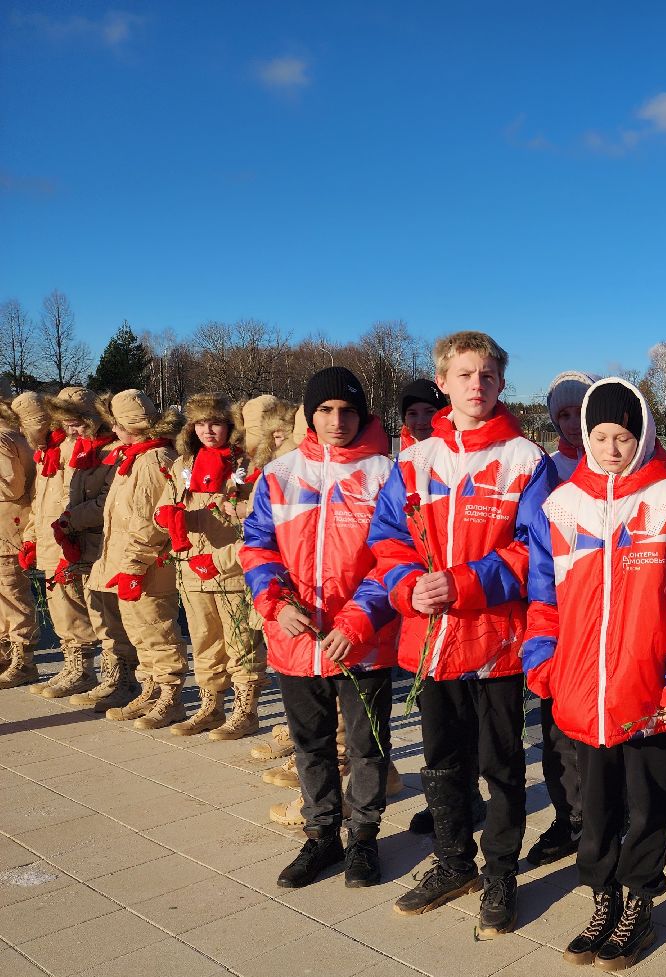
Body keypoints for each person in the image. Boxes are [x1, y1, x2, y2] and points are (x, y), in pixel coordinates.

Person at [366, 331, 555, 928]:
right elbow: (388, 541)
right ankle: (454, 861)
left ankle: (499, 873)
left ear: (501, 384)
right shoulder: (416, 461)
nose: (477, 385)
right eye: (465, 375)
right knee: (442, 760)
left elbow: (538, 551)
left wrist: (467, 584)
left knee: (501, 765)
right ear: (443, 382)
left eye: (488, 376)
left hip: (495, 643)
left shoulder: (525, 460)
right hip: (430, 643)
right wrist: (406, 588)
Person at [524, 377, 666, 969]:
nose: (611, 448)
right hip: (580, 692)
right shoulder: (562, 506)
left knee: (647, 801)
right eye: (601, 436)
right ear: (584, 435)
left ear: (644, 436)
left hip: (647, 691)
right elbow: (542, 600)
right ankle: (602, 895)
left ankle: (639, 901)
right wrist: (543, 666)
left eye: (624, 437)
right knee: (593, 805)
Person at [242, 367, 399, 889]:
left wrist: (358, 618)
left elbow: (395, 557)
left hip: (362, 642)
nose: (336, 421)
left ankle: (363, 839)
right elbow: (258, 545)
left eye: (347, 411)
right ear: (309, 415)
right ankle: (322, 836)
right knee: (310, 746)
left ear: (362, 415)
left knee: (366, 746)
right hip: (297, 639)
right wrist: (274, 601)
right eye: (325, 410)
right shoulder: (281, 474)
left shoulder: (384, 474)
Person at [518, 369, 599, 868]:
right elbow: (533, 544)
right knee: (555, 729)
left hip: (606, 620)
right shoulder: (546, 471)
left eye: (579, 412)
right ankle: (568, 816)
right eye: (563, 414)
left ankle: (602, 817)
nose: (572, 423)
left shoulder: (620, 460)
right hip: (559, 617)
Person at [165, 393, 268, 738]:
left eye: (217, 423)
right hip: (192, 565)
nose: (209, 430)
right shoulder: (184, 463)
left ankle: (245, 710)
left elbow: (258, 523)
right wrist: (168, 517)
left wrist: (226, 558)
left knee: (240, 643)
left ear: (230, 426)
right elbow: (170, 502)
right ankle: (210, 706)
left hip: (231, 569)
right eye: (201, 423)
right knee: (204, 641)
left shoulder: (246, 465)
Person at [85, 391, 186, 727]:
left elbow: (150, 519)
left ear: (131, 424)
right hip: (126, 563)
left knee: (157, 629)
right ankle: (151, 688)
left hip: (148, 566)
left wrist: (134, 565)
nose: (113, 429)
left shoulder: (155, 460)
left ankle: (170, 695)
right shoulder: (134, 457)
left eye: (117, 422)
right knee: (139, 631)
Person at [28, 388, 120, 701]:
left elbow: (81, 499)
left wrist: (71, 522)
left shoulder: (95, 449)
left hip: (79, 537)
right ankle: (75, 665)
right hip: (56, 536)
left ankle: (104, 672)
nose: (70, 428)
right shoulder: (59, 447)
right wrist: (32, 534)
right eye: (65, 422)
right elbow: (40, 498)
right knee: (62, 606)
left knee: (95, 610)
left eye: (75, 421)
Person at [0, 393, 44, 688]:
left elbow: (10, 487)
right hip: (9, 527)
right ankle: (7, 651)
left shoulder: (4, 439)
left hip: (8, 528)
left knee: (12, 594)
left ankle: (23, 659)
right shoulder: (15, 436)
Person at [400, 379, 445, 448]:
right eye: (413, 413)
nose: (421, 421)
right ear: (405, 420)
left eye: (429, 412)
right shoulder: (402, 457)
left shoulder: (459, 456)